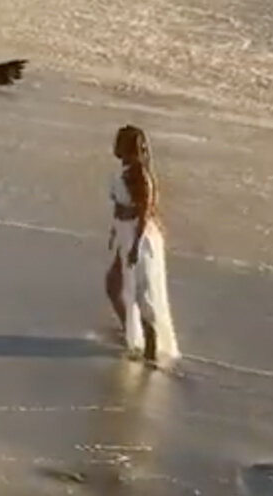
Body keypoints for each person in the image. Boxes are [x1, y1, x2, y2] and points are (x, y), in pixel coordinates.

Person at [107, 125, 180, 364]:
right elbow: (119, 205)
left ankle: (151, 347)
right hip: (124, 233)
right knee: (115, 285)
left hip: (139, 236)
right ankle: (131, 332)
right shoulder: (126, 171)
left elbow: (144, 210)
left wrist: (136, 246)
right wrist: (114, 233)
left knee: (142, 293)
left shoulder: (139, 175)